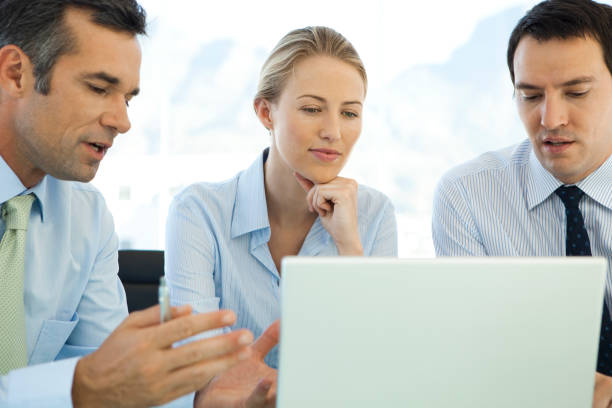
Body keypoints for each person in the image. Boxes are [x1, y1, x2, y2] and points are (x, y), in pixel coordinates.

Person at [0, 1, 255, 406]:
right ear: (16, 73)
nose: (122, 121)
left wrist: (198, 401)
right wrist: (79, 388)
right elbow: (87, 387)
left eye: (128, 98)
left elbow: (114, 381)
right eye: (100, 88)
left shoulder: (87, 217)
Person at [165, 26, 397, 406]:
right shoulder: (199, 213)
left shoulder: (374, 215)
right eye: (311, 109)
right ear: (265, 112)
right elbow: (196, 371)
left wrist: (349, 247)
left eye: (350, 113)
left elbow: (383, 364)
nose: (333, 131)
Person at [431, 0, 612, 406]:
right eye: (530, 96)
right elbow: (474, 361)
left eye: (576, 92)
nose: (551, 119)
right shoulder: (468, 196)